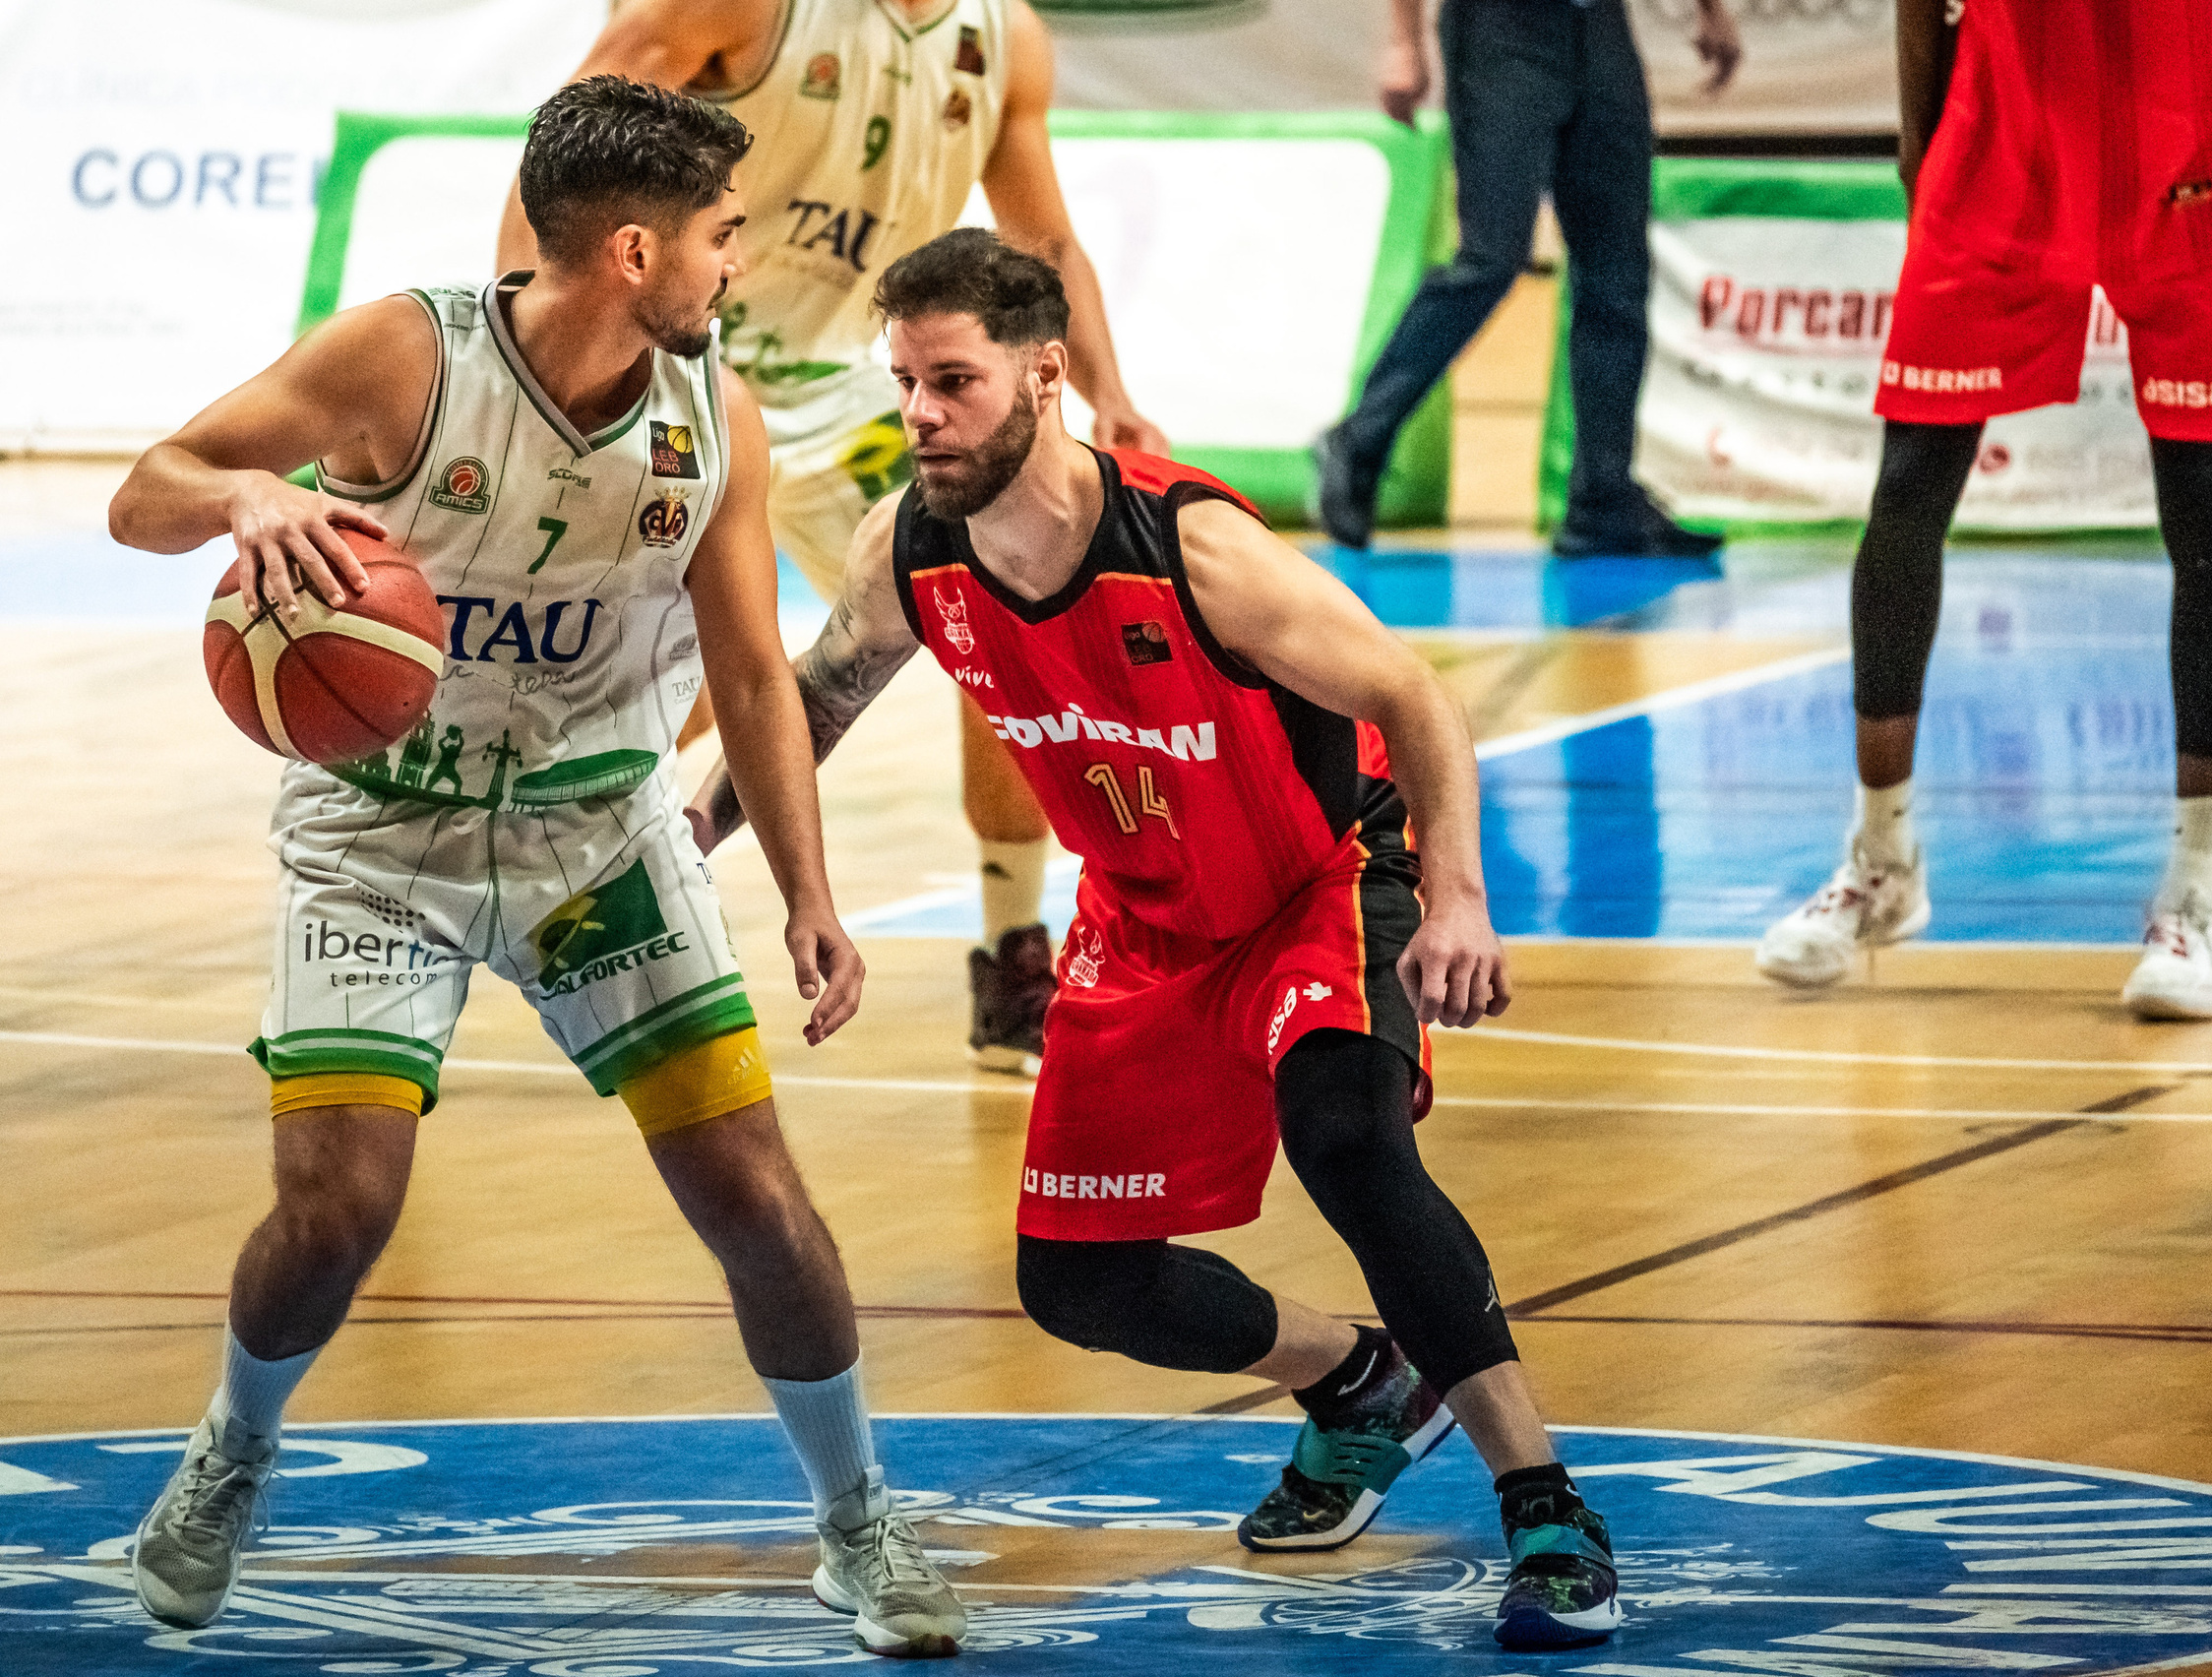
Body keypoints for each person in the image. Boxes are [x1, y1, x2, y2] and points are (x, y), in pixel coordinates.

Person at [106, 79, 965, 1656]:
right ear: (632, 249)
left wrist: (810, 892)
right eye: (720, 237)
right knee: (337, 1210)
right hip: (382, 839)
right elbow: (141, 490)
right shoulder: (404, 355)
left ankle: (860, 1528)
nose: (738, 265)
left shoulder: (717, 415)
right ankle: (230, 1452)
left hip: (599, 838)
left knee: (757, 1201)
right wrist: (246, 492)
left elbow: (758, 673)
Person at [689, 227, 1625, 1652]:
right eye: (906, 386)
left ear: (1044, 375)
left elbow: (1412, 696)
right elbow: (811, 700)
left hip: (1323, 873)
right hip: (1143, 922)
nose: (923, 417)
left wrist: (1457, 898)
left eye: (954, 382)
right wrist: (695, 832)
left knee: (1351, 1142)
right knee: (1077, 1279)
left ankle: (1546, 1504)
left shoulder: (1194, 547)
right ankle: (1363, 1381)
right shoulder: (913, 547)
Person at [495, 0, 1167, 1078]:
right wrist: (538, 357)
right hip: (692, 375)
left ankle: (1010, 955)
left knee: (999, 603)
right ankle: (526, 875)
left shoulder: (1006, 34)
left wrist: (1111, 393)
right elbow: (566, 161)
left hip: (865, 393)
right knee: (644, 674)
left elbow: (1039, 242)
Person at [1755, 0, 2212, 1019]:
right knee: (1906, 490)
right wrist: (1919, 141)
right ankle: (1880, 855)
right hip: (2004, 128)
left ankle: (2196, 888)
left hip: (2187, 117)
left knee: (2209, 507)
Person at [1311, 0, 1742, 558]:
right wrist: (1404, 42)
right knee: (1490, 259)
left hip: (1599, 27)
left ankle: (1602, 500)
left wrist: (1711, 11)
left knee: (1618, 272)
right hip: (1501, 29)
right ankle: (1357, 441)